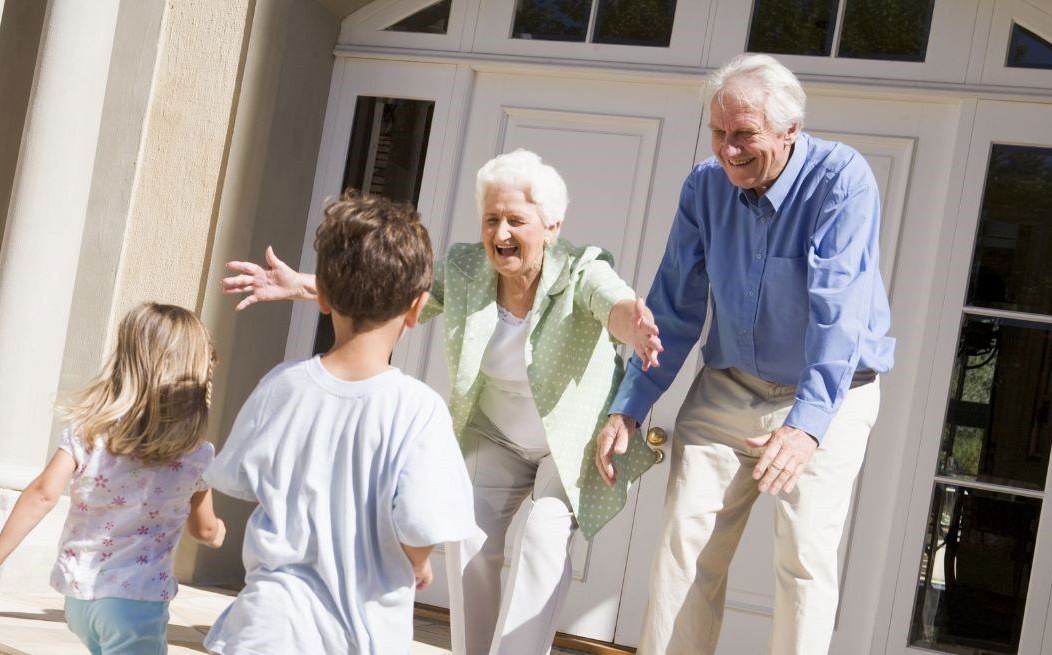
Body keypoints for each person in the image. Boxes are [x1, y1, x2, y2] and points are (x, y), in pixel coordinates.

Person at [222, 151, 663, 655]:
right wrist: (304, 285)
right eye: (491, 219)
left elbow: (614, 304)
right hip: (495, 433)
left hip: (565, 441)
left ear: (552, 226)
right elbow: (387, 292)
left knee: (542, 534)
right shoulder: (466, 267)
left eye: (516, 221)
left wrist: (634, 326)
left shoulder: (582, 271)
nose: (500, 233)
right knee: (467, 534)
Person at [596, 54, 895, 655]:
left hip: (830, 392)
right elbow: (674, 305)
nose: (728, 150)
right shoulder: (704, 186)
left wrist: (806, 426)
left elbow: (838, 313)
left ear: (790, 130)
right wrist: (630, 405)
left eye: (744, 134)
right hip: (729, 384)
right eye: (718, 132)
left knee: (803, 557)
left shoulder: (841, 180)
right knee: (684, 548)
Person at [202, 192, 477, 655]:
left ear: (323, 297)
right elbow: (420, 525)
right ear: (417, 308)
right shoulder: (419, 410)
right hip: (359, 635)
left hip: (265, 628)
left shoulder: (281, 385)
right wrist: (418, 562)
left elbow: (234, 477)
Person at [0, 302, 225, 655]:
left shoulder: (88, 432)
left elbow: (42, 494)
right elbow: (204, 529)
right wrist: (218, 533)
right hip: (137, 604)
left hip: (79, 597)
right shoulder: (196, 454)